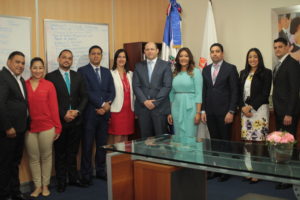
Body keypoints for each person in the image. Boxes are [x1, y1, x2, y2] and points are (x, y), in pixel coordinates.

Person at [45, 49, 88, 193]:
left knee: (73, 152)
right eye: (64, 58)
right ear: (58, 59)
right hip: (60, 121)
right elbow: (50, 101)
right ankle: (61, 182)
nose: (67, 60)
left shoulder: (78, 76)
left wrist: (77, 111)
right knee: (60, 153)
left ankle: (73, 178)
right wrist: (63, 114)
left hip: (76, 121)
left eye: (69, 58)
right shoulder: (50, 77)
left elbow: (84, 97)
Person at [201, 43, 239, 182]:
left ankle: (226, 170)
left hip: (225, 113)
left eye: (217, 51)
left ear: (222, 53)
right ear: (210, 54)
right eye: (212, 51)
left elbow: (235, 91)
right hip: (210, 112)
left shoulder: (230, 68)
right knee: (214, 142)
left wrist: (231, 111)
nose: (215, 54)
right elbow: (204, 91)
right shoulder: (205, 70)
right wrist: (203, 110)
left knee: (224, 141)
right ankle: (215, 169)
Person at [78, 45, 115, 185]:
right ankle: (86, 174)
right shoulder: (82, 71)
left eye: (98, 54)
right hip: (90, 114)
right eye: (93, 53)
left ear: (101, 56)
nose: (96, 56)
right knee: (87, 146)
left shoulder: (106, 72)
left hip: (104, 115)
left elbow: (112, 91)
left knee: (102, 145)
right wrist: (101, 105)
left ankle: (100, 170)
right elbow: (86, 92)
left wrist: (107, 105)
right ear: (89, 55)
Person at [25, 57, 61, 197]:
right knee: (33, 158)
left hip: (47, 127)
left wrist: (58, 128)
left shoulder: (49, 85)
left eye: (40, 68)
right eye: (35, 67)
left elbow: (54, 108)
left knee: (46, 157)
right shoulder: (24, 84)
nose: (38, 70)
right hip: (29, 128)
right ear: (30, 69)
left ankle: (45, 186)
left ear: (44, 69)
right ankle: (37, 186)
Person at [239, 48, 272, 184]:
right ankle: (248, 169)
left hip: (259, 111)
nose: (252, 59)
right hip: (245, 112)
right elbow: (237, 92)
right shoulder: (243, 73)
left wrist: (250, 106)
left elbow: (265, 93)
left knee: (259, 141)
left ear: (259, 58)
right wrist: (243, 107)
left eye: (255, 57)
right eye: (250, 57)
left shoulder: (266, 73)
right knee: (248, 141)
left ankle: (258, 172)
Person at [0, 51, 29, 200]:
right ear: (9, 62)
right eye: (17, 62)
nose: (20, 65)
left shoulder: (20, 79)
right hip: (8, 131)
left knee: (15, 163)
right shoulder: (3, 77)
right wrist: (7, 127)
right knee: (5, 164)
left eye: (23, 63)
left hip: (19, 129)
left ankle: (15, 192)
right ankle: (4, 195)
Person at [273, 37, 300, 189]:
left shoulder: (293, 64)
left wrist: (289, 113)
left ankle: (291, 179)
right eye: (275, 47)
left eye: (280, 47)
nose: (277, 49)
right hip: (279, 112)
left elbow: (294, 91)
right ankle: (284, 176)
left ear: (288, 47)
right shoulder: (279, 65)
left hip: (288, 114)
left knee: (289, 146)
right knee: (282, 146)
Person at [132, 42, 172, 138]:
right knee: (145, 139)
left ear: (157, 51)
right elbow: (136, 86)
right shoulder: (138, 66)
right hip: (143, 109)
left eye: (152, 49)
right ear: (144, 51)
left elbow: (167, 86)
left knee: (161, 140)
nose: (150, 51)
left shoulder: (165, 65)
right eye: (147, 49)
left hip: (160, 108)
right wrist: (145, 101)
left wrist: (155, 102)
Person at [167, 47, 202, 143]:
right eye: (181, 56)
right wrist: (170, 112)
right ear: (178, 59)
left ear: (190, 58)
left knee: (190, 135)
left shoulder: (196, 72)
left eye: (186, 56)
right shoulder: (175, 73)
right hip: (176, 108)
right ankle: (180, 156)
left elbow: (199, 93)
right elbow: (171, 94)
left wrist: (198, 113)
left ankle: (190, 157)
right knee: (178, 136)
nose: (183, 58)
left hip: (191, 109)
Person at [108, 49, 134, 143]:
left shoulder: (130, 74)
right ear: (115, 59)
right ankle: (115, 157)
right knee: (117, 136)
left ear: (126, 59)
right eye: (119, 57)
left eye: (123, 57)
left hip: (129, 110)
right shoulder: (110, 74)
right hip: (116, 110)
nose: (121, 59)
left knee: (126, 136)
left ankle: (124, 157)